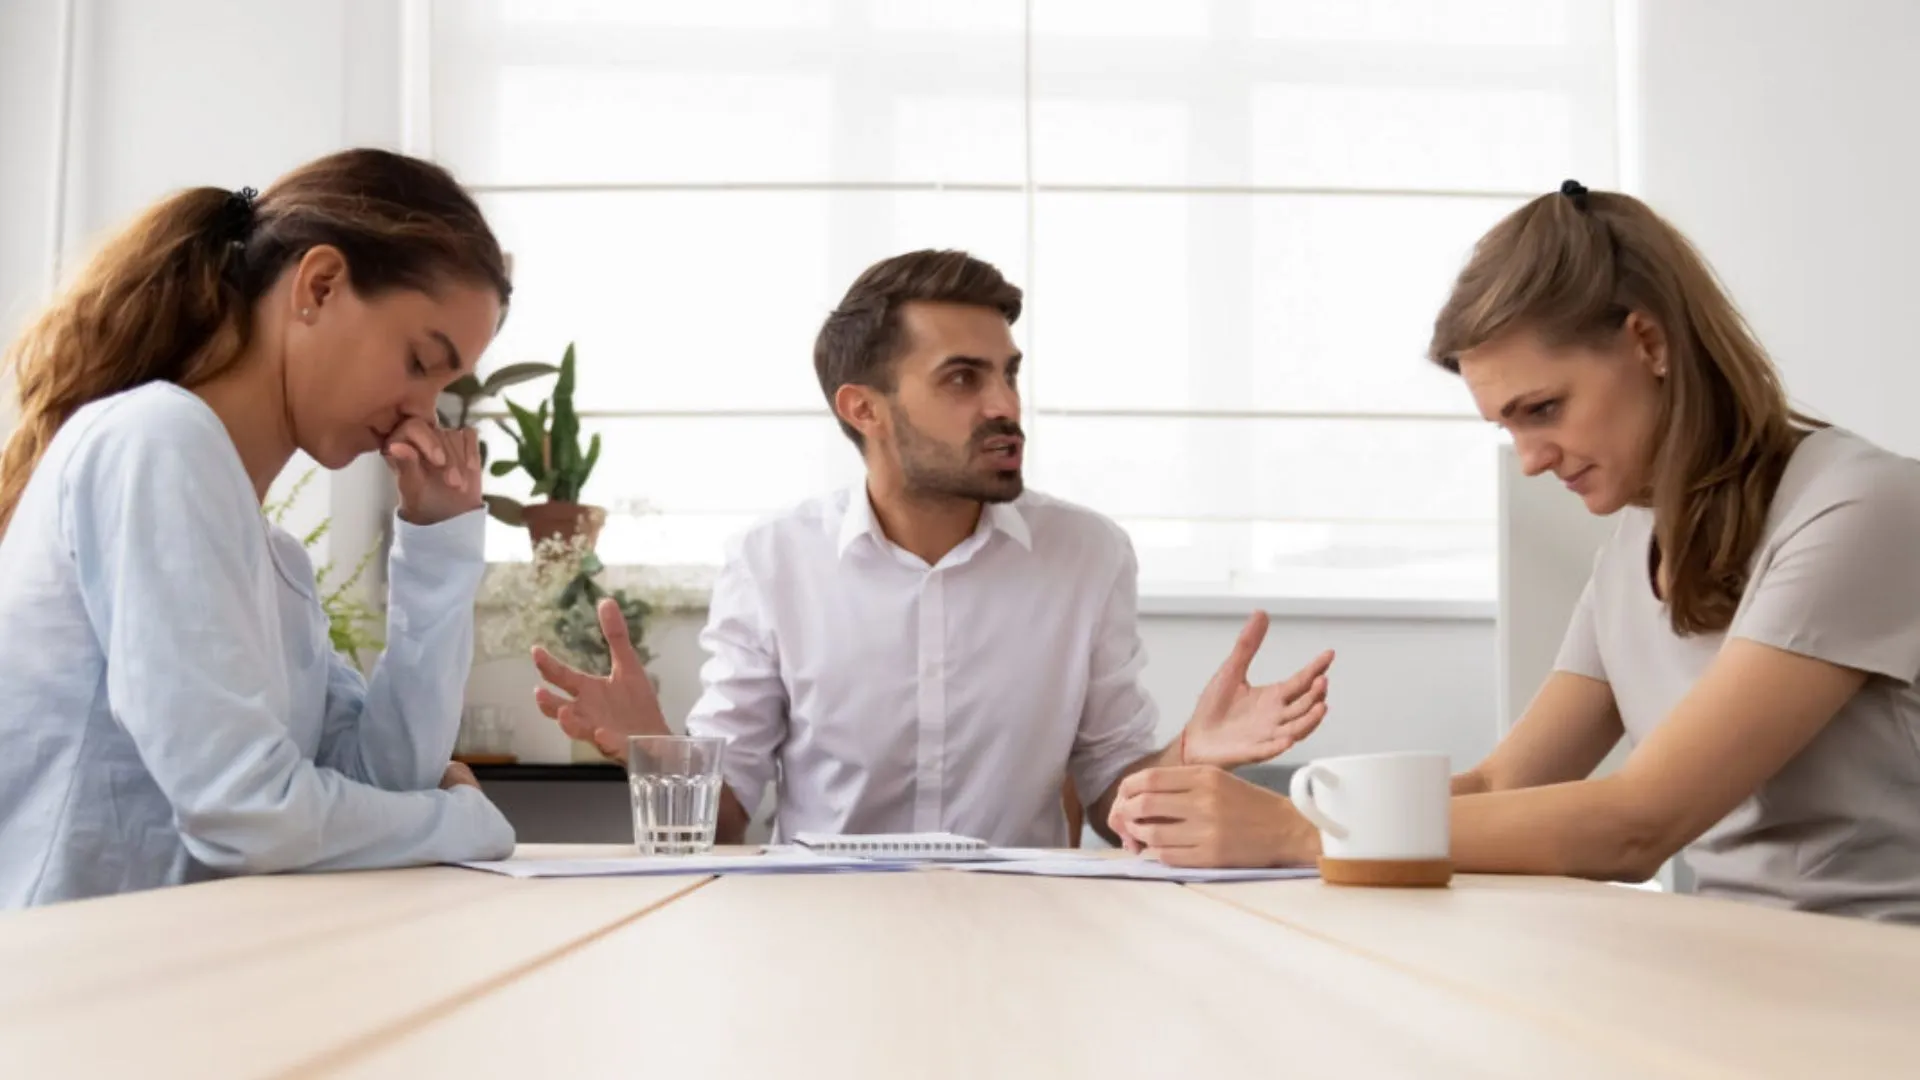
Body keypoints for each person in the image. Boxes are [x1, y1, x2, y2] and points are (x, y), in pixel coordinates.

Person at [1109, 182, 1920, 922]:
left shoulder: (1860, 508)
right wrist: (1240, 808)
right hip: (1745, 963)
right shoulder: (1632, 551)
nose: (1530, 460)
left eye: (1544, 409)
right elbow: (1505, 783)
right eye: (1507, 426)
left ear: (1649, 341)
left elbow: (1641, 821)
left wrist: (1297, 832)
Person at [533, 250, 1334, 847]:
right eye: (963, 379)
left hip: (1030, 929)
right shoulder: (772, 563)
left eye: (1009, 375)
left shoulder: (1087, 554)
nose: (1005, 405)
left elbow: (1109, 799)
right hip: (821, 927)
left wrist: (1191, 754)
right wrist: (653, 753)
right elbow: (729, 818)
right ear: (864, 409)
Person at [0, 149, 519, 909]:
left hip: (177, 963)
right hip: (70, 972)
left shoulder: (273, 559)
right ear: (320, 286)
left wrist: (438, 543)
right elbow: (245, 814)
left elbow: (380, 785)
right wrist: (464, 824)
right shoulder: (158, 439)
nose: (422, 412)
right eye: (419, 361)